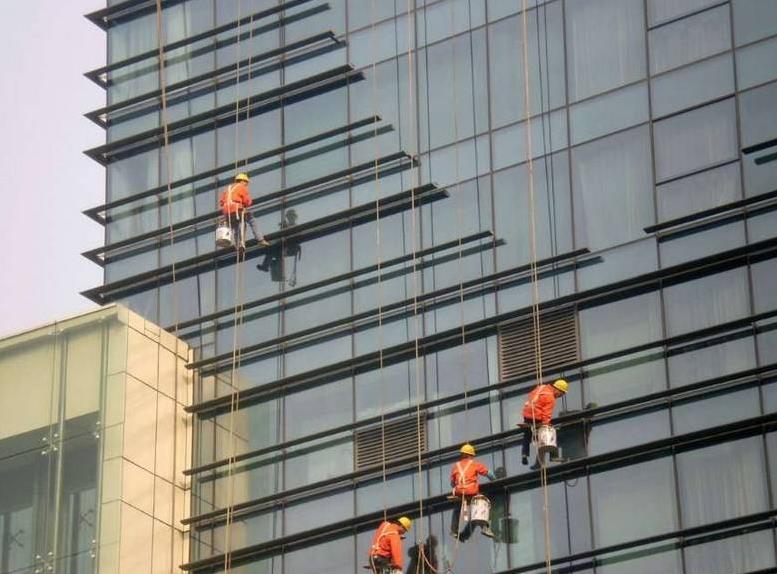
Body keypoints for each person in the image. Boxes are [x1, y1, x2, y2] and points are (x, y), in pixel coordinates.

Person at [449, 443, 496, 541]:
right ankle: (485, 528)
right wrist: (496, 481)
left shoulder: (455, 466)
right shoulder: (475, 464)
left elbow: (452, 483)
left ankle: (454, 530)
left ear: (462, 455)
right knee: (481, 504)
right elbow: (488, 473)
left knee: (457, 508)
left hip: (459, 492)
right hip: (471, 491)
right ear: (470, 455)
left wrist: (459, 486)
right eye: (472, 455)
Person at [521, 379, 568, 469]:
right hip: (536, 417)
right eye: (561, 394)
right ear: (558, 389)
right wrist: (546, 424)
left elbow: (530, 395)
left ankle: (524, 454)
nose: (559, 396)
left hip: (527, 415)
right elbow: (546, 414)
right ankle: (553, 456)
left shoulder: (541, 387)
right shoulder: (550, 398)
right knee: (549, 433)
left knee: (527, 435)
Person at [219, 173, 270, 248]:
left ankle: (238, 246)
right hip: (237, 209)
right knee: (252, 220)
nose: (246, 185)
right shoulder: (241, 187)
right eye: (246, 183)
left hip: (227, 213)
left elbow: (221, 202)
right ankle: (260, 239)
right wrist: (243, 204)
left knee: (236, 226)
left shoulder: (227, 189)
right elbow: (247, 202)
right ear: (242, 181)